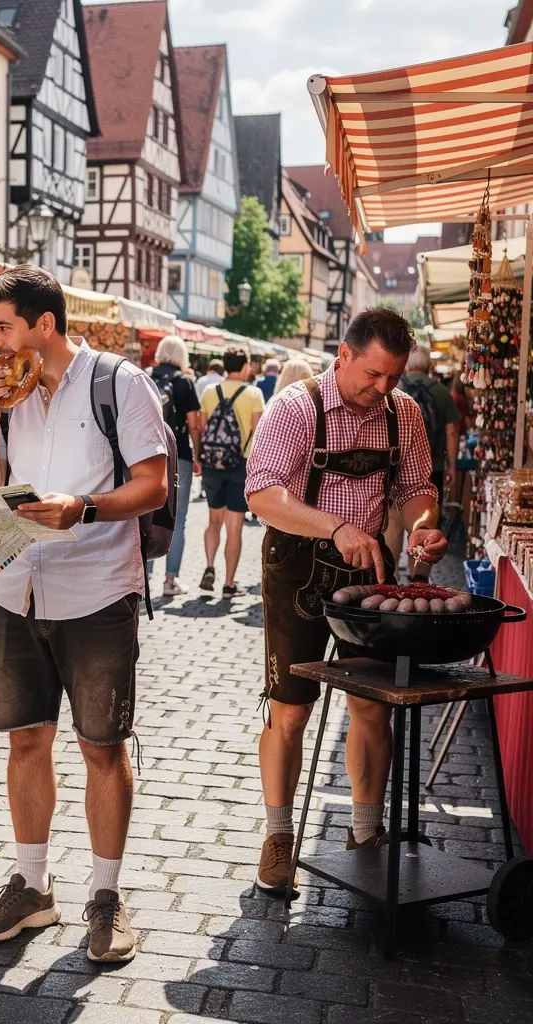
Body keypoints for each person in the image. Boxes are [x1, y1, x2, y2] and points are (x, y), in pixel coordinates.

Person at [0, 264, 168, 963]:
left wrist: (85, 508)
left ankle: (106, 897)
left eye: (1, 327)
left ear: (43, 324)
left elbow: (153, 485)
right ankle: (31, 887)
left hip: (97, 589)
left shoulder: (119, 383)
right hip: (16, 584)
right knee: (25, 740)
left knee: (102, 747)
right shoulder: (6, 393)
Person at [245, 308, 445, 896]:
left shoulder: (403, 413)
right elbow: (264, 494)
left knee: (373, 707)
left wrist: (424, 528)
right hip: (298, 567)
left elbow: (417, 489)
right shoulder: (296, 407)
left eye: (394, 377)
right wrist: (335, 527)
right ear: (344, 355)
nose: (382, 388)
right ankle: (278, 836)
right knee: (290, 710)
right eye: (373, 374)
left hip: (371, 572)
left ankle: (365, 830)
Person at [383, 345, 459, 580]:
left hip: (393, 466)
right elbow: (452, 432)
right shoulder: (442, 392)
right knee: (426, 521)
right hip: (433, 467)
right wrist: (452, 466)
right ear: (429, 366)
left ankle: (389, 576)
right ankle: (419, 578)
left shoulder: (396, 388)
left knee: (393, 520)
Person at [198, 347, 264, 598]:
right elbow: (259, 432)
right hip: (241, 464)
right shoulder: (253, 394)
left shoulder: (209, 391)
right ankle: (228, 584)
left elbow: (202, 428)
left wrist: (198, 457)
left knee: (214, 520)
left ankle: (209, 566)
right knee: (234, 526)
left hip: (212, 464)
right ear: (245, 365)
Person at [150, 335, 200, 596]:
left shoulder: (146, 375)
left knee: (146, 514)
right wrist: (197, 454)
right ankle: (170, 581)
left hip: (147, 454)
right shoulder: (184, 382)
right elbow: (194, 424)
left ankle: (143, 579)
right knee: (178, 518)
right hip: (179, 454)